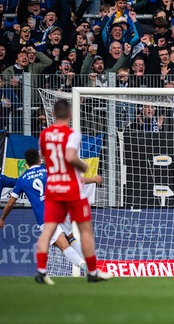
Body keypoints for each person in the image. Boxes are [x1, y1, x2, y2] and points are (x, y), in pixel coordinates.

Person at [35, 99, 111, 285]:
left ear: (53, 114)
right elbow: (69, 156)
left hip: (53, 187)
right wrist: (83, 165)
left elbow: (46, 158)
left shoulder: (44, 135)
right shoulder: (72, 134)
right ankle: (92, 272)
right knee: (85, 230)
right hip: (72, 188)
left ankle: (41, 270)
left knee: (49, 229)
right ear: (69, 114)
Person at [0, 149, 86, 270]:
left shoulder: (22, 179)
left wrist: (2, 218)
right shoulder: (47, 170)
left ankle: (85, 266)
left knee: (63, 245)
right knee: (69, 237)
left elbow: (10, 203)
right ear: (38, 159)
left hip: (45, 216)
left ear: (26, 163)